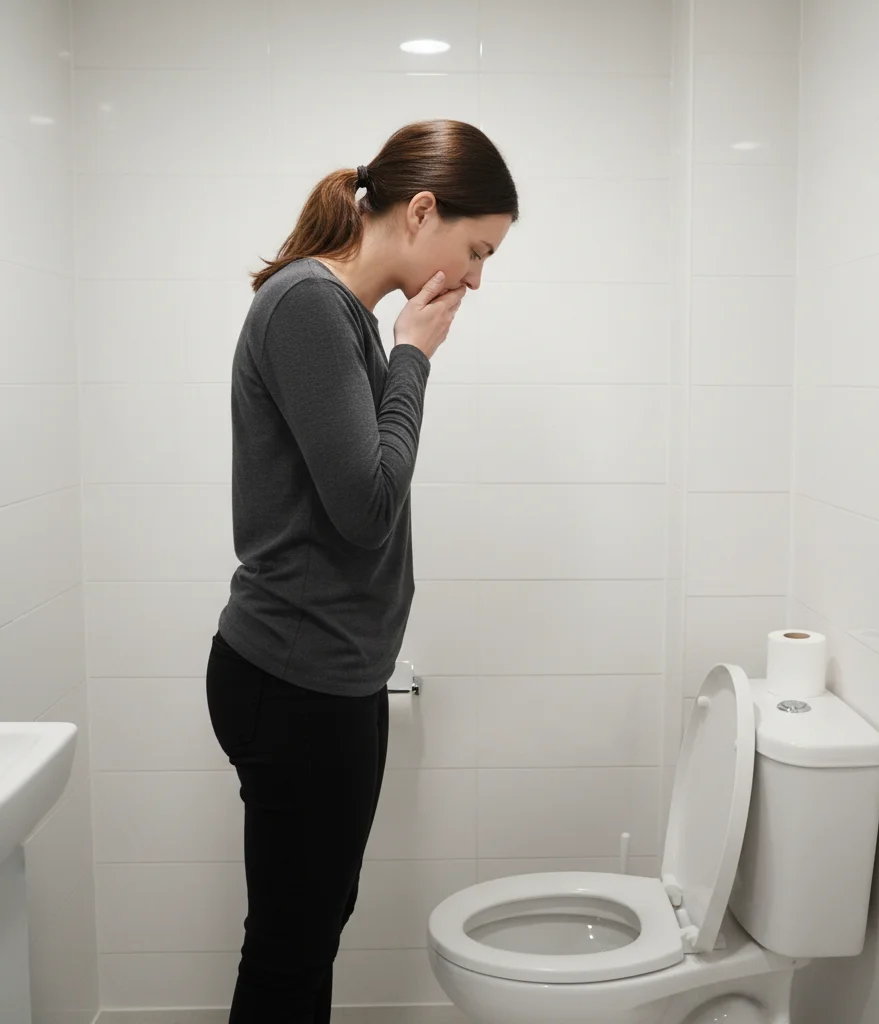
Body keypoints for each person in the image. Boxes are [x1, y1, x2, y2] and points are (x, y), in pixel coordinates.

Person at [205, 119, 518, 1023]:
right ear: (422, 212)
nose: (475, 278)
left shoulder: (341, 315)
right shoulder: (313, 305)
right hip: (295, 679)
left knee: (307, 932)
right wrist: (415, 355)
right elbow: (367, 504)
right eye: (476, 249)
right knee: (291, 947)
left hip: (321, 675)